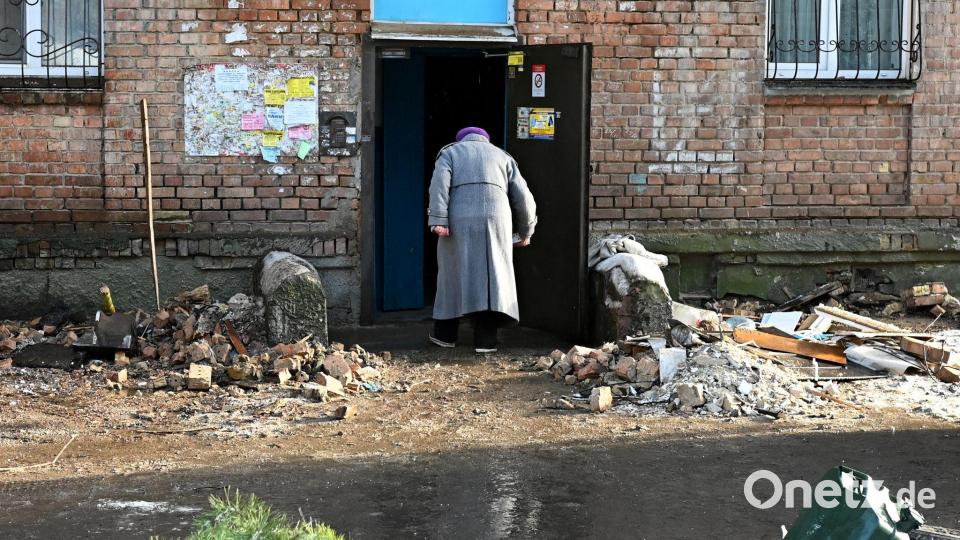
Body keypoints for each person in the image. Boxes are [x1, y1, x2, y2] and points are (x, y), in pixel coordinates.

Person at [427, 127, 537, 354]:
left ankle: (444, 336)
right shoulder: (502, 156)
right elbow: (524, 198)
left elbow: (439, 186)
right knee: (492, 276)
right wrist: (526, 230)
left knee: (452, 274)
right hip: (497, 220)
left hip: (459, 218)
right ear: (486, 140)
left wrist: (438, 219)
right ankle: (485, 341)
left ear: (460, 140)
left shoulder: (450, 153)